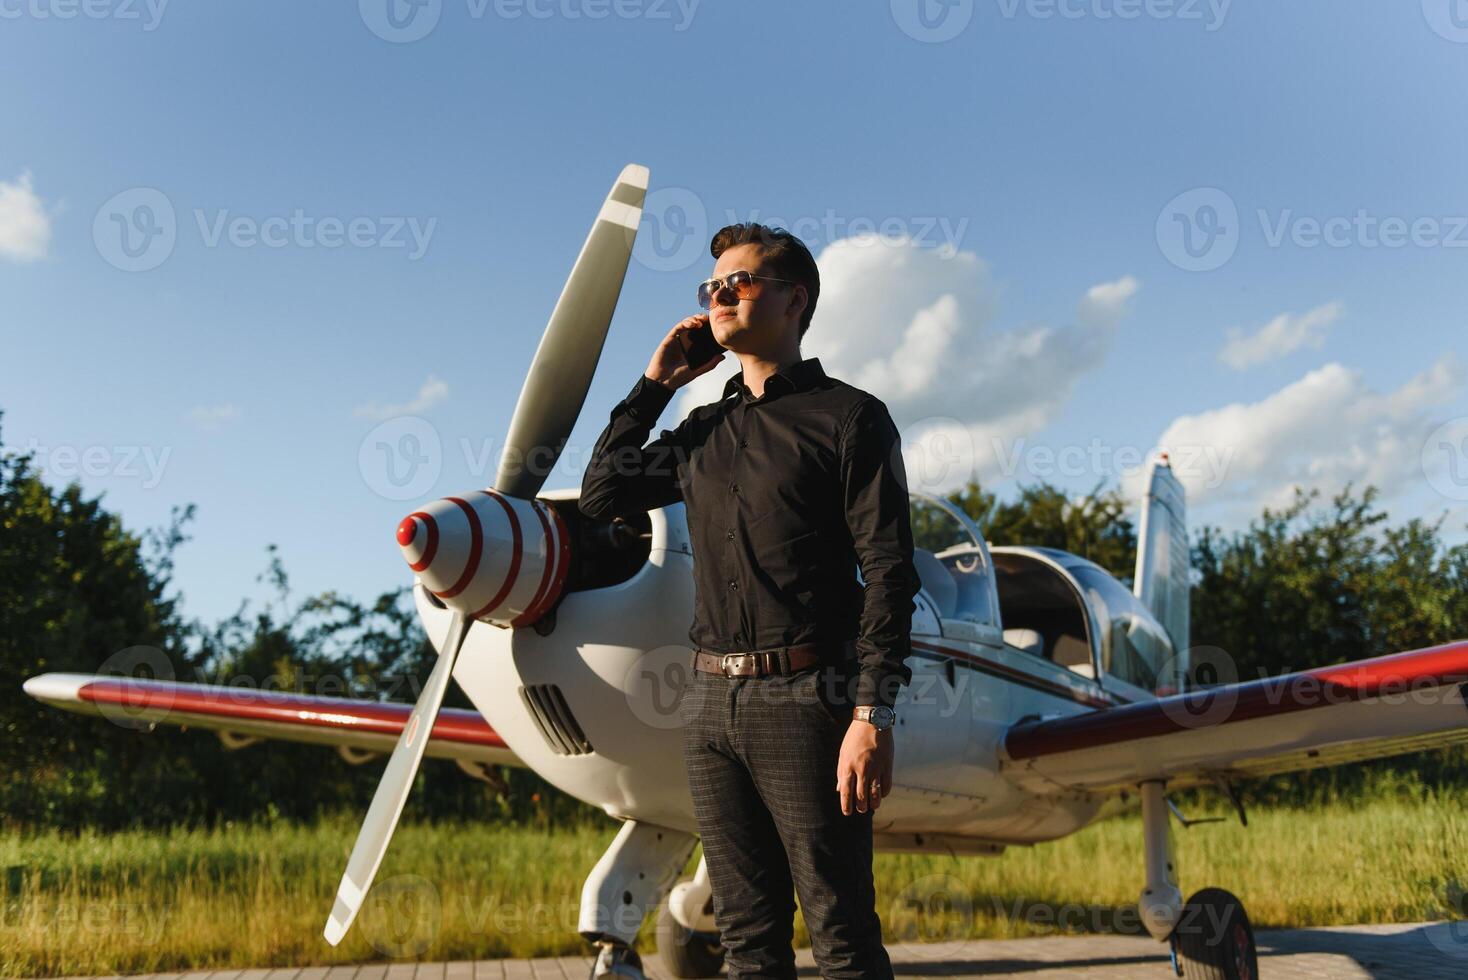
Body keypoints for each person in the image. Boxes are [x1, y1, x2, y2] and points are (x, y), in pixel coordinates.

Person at [578, 221, 921, 980]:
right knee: (745, 939)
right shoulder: (704, 430)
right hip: (709, 707)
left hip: (809, 697)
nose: (720, 295)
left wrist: (872, 715)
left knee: (840, 934)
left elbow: (889, 571)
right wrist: (655, 386)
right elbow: (603, 493)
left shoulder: (849, 417)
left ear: (795, 300)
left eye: (740, 282)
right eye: (712, 288)